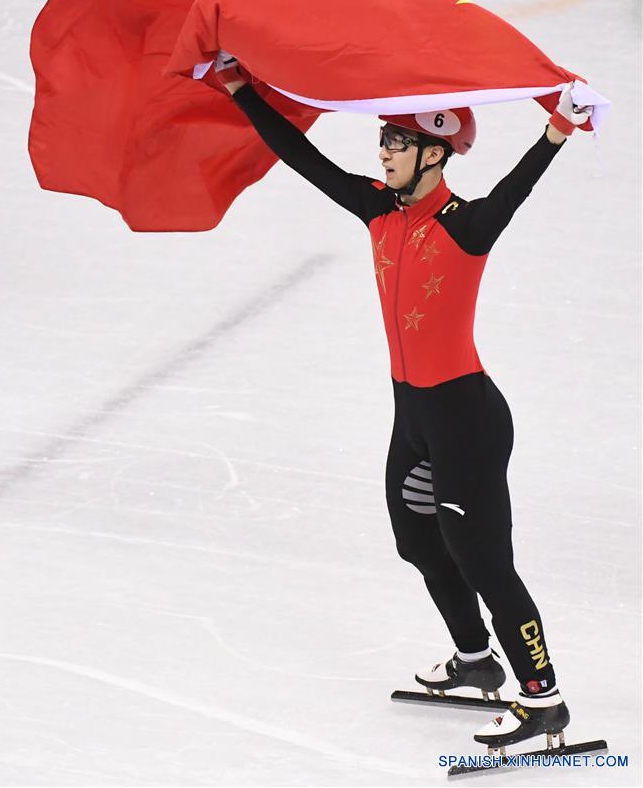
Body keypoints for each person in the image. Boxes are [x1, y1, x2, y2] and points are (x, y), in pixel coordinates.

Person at [213, 52, 592, 750]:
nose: (383, 151)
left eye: (397, 140)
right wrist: (241, 89)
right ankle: (476, 658)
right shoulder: (376, 210)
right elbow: (301, 157)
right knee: (417, 540)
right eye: (383, 139)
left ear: (435, 153)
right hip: (413, 416)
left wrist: (558, 132)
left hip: (467, 421)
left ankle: (545, 697)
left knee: (485, 561)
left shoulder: (466, 225)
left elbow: (517, 188)